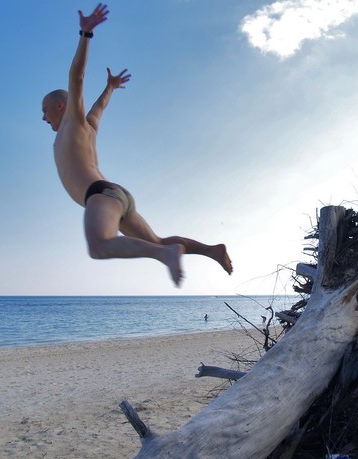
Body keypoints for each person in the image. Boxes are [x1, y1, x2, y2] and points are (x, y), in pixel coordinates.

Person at [41, 3, 232, 287]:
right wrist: (111, 87)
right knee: (155, 240)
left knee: (99, 246)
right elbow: (99, 107)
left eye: (45, 111)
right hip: (117, 196)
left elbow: (77, 78)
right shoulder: (86, 127)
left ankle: (164, 254)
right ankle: (211, 250)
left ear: (60, 106)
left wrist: (85, 33)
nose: (43, 118)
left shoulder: (71, 122)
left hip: (99, 195)